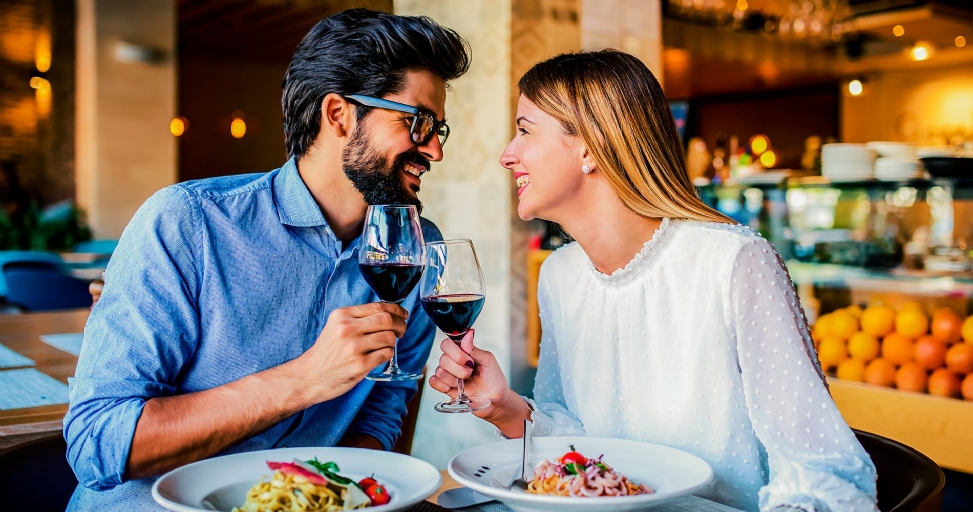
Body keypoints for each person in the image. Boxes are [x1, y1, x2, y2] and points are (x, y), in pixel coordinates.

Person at [430, 50, 878, 512]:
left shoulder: (733, 262)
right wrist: (505, 407)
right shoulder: (561, 276)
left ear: (589, 145)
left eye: (524, 130)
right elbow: (584, 455)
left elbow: (823, 470)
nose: (507, 154)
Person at [63, 9, 470, 510]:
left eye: (438, 130)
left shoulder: (418, 249)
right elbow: (97, 443)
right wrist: (304, 378)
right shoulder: (187, 223)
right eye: (417, 123)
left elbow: (381, 415)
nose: (434, 149)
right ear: (338, 114)